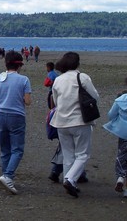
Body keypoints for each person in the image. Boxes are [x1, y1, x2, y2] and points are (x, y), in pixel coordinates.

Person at [50, 52, 99, 197]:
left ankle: (69, 180)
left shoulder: (58, 80)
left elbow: (56, 100)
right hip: (80, 120)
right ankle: (70, 180)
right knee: (83, 154)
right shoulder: (82, 77)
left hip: (61, 122)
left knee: (68, 155)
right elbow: (95, 96)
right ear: (77, 63)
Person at [0, 50, 32, 194]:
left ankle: (6, 175)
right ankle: (8, 176)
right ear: (19, 65)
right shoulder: (24, 80)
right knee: (17, 149)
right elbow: (28, 102)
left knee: (5, 149)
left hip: (1, 115)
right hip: (17, 116)